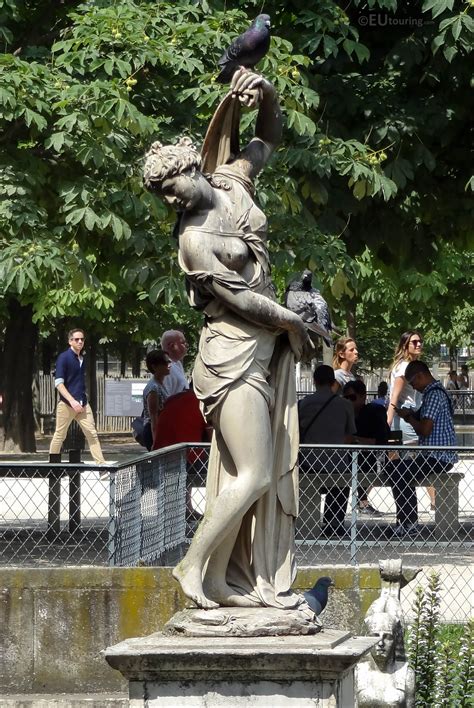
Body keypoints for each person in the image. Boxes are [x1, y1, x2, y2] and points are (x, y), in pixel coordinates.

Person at [143, 68, 312, 609]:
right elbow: (240, 300)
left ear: (192, 168)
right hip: (230, 358)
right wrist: (292, 320)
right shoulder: (194, 241)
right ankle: (191, 567)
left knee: (249, 475)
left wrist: (267, 93)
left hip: (259, 355)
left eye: (172, 189)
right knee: (257, 474)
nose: (171, 202)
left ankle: (219, 581)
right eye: (164, 197)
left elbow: (268, 138)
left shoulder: (234, 181)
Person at [387, 360, 457, 536]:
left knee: (398, 470)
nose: (414, 388)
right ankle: (407, 520)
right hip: (435, 455)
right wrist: (410, 414)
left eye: (413, 383)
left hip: (439, 456)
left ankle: (409, 523)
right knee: (398, 468)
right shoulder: (435, 393)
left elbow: (425, 428)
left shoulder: (434, 394)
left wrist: (409, 419)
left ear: (420, 376)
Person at [299, 365, 356, 536]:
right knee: (341, 483)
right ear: (333, 382)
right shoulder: (345, 405)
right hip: (337, 463)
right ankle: (334, 523)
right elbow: (350, 435)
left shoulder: (303, 404)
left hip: (309, 462)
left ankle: (307, 522)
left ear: (314, 381)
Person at [386, 330, 435, 510]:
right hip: (406, 420)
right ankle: (430, 502)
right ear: (405, 345)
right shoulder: (403, 367)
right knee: (413, 461)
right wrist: (387, 424)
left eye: (420, 341)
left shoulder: (412, 365)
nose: (419, 344)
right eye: (414, 342)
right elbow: (394, 397)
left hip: (411, 417)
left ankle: (431, 502)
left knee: (411, 462)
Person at [153, 387, 213, 519]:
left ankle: (187, 508)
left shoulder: (174, 398)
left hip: (161, 453)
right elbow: (212, 436)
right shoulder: (203, 402)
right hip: (185, 457)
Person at [49, 328, 105, 464]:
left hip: (83, 404)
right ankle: (52, 467)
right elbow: (59, 383)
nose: (80, 341)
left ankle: (102, 467)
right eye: (76, 339)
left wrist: (81, 401)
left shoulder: (82, 358)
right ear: (70, 341)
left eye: (82, 339)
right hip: (67, 404)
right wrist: (72, 401)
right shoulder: (64, 357)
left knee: (92, 434)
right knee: (59, 436)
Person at [343, 380, 390, 515]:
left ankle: (362, 501)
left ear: (363, 396)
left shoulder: (375, 412)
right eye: (345, 398)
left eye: (352, 397)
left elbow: (381, 441)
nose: (348, 401)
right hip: (348, 461)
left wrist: (355, 440)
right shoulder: (343, 413)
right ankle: (335, 521)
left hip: (371, 460)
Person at [142, 349, 171, 451]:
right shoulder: (153, 388)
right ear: (154, 366)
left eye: (169, 361)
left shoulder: (161, 384)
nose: (169, 364)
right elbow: (153, 417)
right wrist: (156, 441)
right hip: (152, 431)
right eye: (165, 362)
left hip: (160, 429)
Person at [160, 330, 189, 396]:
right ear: (172, 346)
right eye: (183, 343)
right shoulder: (164, 367)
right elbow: (164, 399)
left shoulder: (177, 364)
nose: (186, 345)